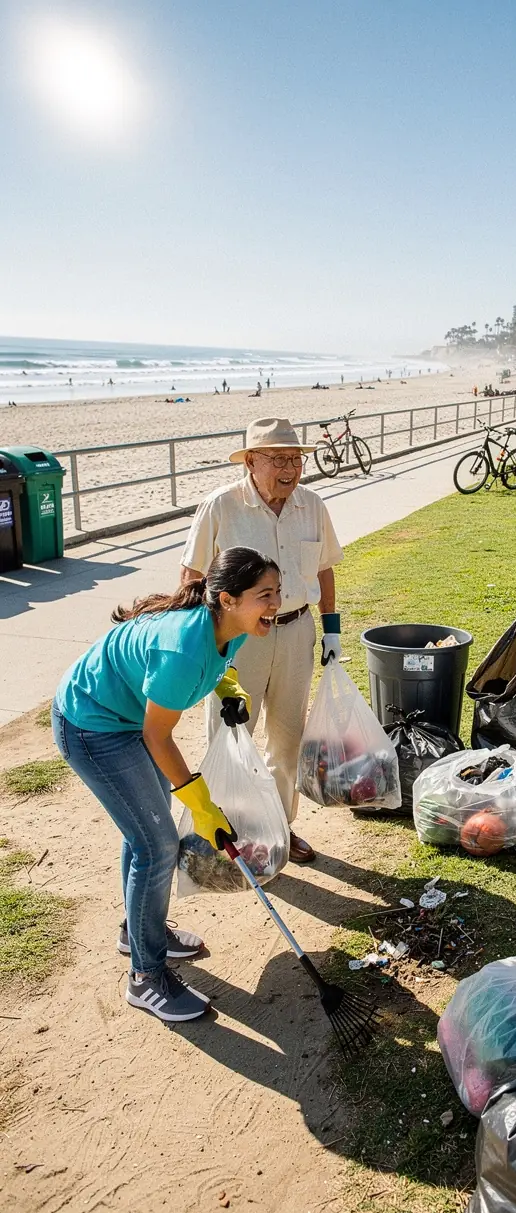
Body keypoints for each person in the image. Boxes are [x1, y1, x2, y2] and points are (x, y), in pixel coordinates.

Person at [52, 548, 282, 1022]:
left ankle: (137, 930)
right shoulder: (182, 649)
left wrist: (227, 689)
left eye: (277, 591)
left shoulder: (231, 626)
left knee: (146, 836)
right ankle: (145, 977)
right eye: (265, 595)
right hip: (93, 725)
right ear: (227, 598)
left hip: (126, 721)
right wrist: (201, 803)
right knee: (155, 845)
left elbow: (221, 661)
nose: (276, 602)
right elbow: (157, 737)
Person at [180, 417, 343, 863]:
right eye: (278, 459)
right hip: (236, 640)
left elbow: (325, 567)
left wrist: (332, 630)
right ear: (251, 461)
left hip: (296, 631)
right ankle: (228, 832)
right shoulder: (221, 506)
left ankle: (280, 828)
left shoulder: (312, 505)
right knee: (231, 736)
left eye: (296, 459)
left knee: (288, 739)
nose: (290, 469)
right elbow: (192, 576)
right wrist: (203, 642)